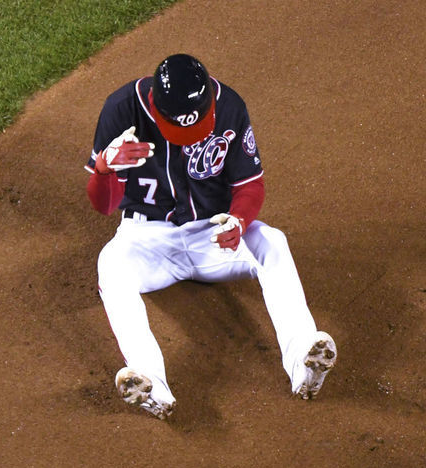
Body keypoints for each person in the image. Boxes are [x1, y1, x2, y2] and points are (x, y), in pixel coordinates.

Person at [84, 53, 337, 420]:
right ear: (156, 108)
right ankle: (151, 384)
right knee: (110, 265)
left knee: (272, 242)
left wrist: (239, 221)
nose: (190, 135)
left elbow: (251, 186)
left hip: (213, 234)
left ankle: (303, 360)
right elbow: (103, 206)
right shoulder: (122, 110)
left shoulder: (229, 105)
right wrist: (105, 170)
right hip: (147, 238)